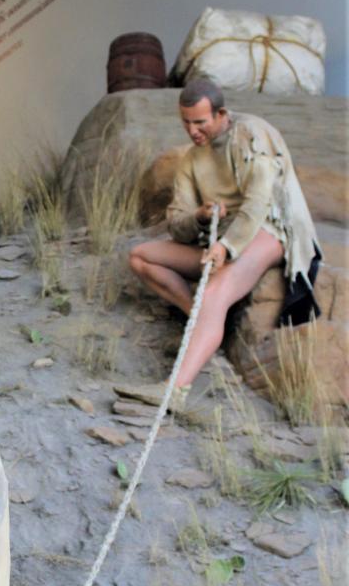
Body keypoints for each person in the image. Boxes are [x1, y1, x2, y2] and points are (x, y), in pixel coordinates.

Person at [121, 77, 321, 411]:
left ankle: (176, 390)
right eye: (186, 122)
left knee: (215, 291)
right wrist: (199, 216)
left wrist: (227, 247)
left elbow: (258, 204)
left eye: (200, 122)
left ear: (221, 114)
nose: (192, 130)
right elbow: (178, 224)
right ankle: (203, 320)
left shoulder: (252, 134)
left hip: (268, 231)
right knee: (141, 256)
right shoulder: (190, 160)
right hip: (216, 239)